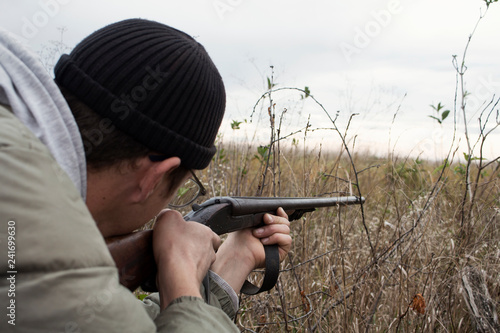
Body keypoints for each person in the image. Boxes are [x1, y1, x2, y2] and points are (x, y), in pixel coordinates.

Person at [0, 19, 291, 332]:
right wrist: (180, 275)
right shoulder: (45, 255)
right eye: (180, 185)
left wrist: (233, 263)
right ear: (153, 178)